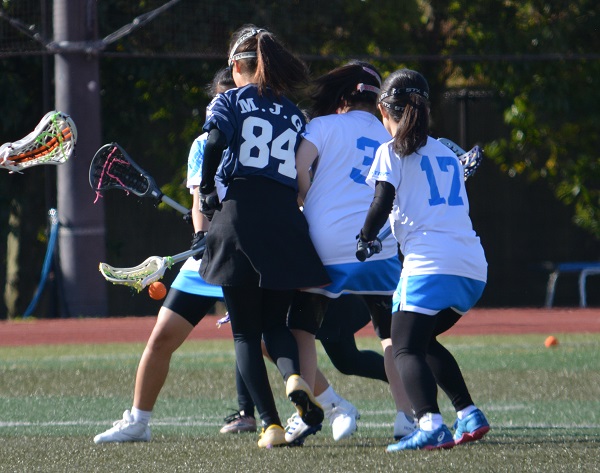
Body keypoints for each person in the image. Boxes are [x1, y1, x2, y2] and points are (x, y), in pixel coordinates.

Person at [198, 25, 330, 448]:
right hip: (285, 218)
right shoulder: (293, 112)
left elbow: (214, 140)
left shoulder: (231, 100)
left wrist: (206, 188)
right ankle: (295, 379)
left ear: (237, 67)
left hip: (241, 213)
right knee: (275, 323)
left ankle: (271, 425)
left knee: (244, 332)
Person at [94, 68, 237, 444]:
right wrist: (201, 236)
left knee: (266, 343)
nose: (221, 106)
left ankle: (328, 404)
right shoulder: (202, 144)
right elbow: (199, 201)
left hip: (247, 255)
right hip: (209, 257)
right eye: (217, 99)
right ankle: (138, 421)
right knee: (161, 337)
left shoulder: (258, 140)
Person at [357, 68, 490, 451]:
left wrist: (365, 236)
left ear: (385, 111)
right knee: (422, 339)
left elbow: (382, 201)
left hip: (430, 265)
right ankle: (468, 413)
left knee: (404, 347)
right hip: (472, 268)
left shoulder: (390, 150)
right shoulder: (446, 154)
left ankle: (430, 424)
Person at [285, 61, 416, 445]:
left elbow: (296, 168)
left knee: (301, 330)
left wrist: (308, 199)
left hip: (324, 243)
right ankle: (407, 418)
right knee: (391, 337)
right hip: (378, 245)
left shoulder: (322, 125)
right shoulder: (391, 134)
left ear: (342, 97)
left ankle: (305, 414)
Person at [220, 294, 389, 442]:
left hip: (325, 284)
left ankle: (403, 386)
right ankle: (330, 406)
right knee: (262, 336)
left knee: (347, 360)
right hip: (293, 283)